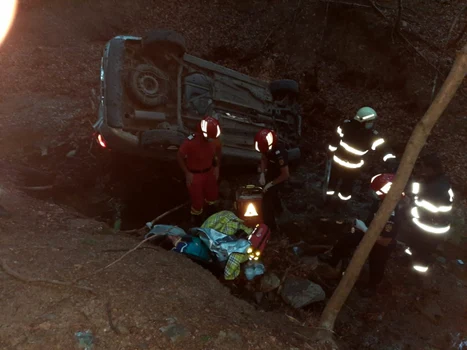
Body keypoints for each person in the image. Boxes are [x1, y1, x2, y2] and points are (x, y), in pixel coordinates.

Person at [319, 173, 401, 297]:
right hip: (369, 231)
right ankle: (333, 260)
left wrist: (363, 228)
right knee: (346, 241)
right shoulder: (380, 202)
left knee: (377, 262)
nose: (372, 193)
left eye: (375, 191)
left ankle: (372, 287)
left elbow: (385, 241)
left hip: (381, 242)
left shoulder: (394, 215)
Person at [324, 107, 396, 220]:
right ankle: (329, 202)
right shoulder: (349, 127)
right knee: (334, 185)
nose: (372, 124)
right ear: (364, 121)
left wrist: (390, 159)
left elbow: (383, 148)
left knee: (344, 188)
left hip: (347, 166)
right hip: (345, 165)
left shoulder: (369, 134)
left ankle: (339, 205)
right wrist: (330, 151)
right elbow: (335, 139)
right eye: (370, 121)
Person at [402, 154, 454, 274]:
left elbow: (421, 205)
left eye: (423, 168)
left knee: (423, 251)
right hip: (427, 223)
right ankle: (409, 260)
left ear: (431, 169)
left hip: (432, 228)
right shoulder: (437, 180)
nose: (421, 170)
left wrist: (409, 205)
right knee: (414, 244)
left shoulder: (436, 188)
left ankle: (418, 274)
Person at [177, 116, 222, 226]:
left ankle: (211, 216)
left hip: (209, 172)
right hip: (195, 175)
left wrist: (217, 167)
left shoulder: (214, 137)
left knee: (212, 197)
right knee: (197, 203)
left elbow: (219, 150)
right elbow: (179, 155)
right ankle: (197, 222)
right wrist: (187, 173)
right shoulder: (190, 141)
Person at [254, 128, 290, 232]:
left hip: (280, 176)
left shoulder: (280, 153)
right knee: (270, 194)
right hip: (271, 172)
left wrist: (271, 184)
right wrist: (262, 173)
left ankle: (271, 228)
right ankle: (279, 210)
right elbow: (263, 158)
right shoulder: (265, 146)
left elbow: (285, 174)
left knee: (267, 200)